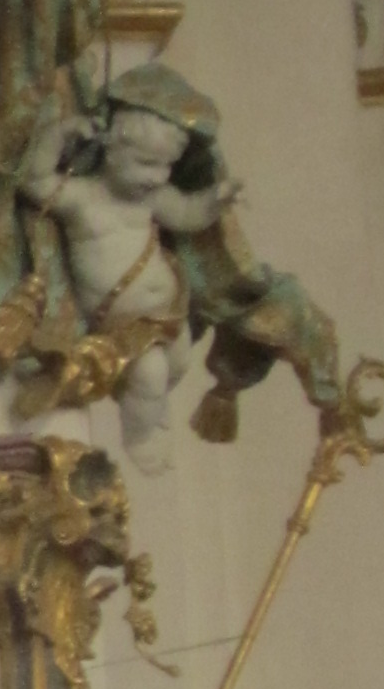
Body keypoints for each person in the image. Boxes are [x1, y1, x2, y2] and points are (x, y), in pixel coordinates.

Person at [15, 67, 238, 469]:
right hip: (119, 323)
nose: (155, 177)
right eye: (144, 163)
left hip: (168, 311)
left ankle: (147, 404)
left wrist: (214, 201)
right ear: (110, 150)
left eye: (165, 166)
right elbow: (36, 183)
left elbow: (186, 214)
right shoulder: (85, 199)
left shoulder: (151, 199)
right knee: (149, 374)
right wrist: (60, 135)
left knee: (178, 362)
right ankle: (140, 435)